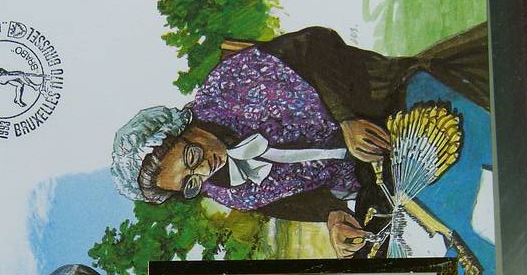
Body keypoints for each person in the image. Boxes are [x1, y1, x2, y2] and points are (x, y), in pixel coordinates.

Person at [111, 24, 489, 258]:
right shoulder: (225, 190)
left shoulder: (229, 86)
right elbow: (294, 203)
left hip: (388, 102)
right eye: (190, 183)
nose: (204, 171)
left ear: (182, 127)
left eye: (192, 157)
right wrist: (333, 216)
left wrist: (345, 117)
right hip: (376, 178)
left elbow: (317, 43)